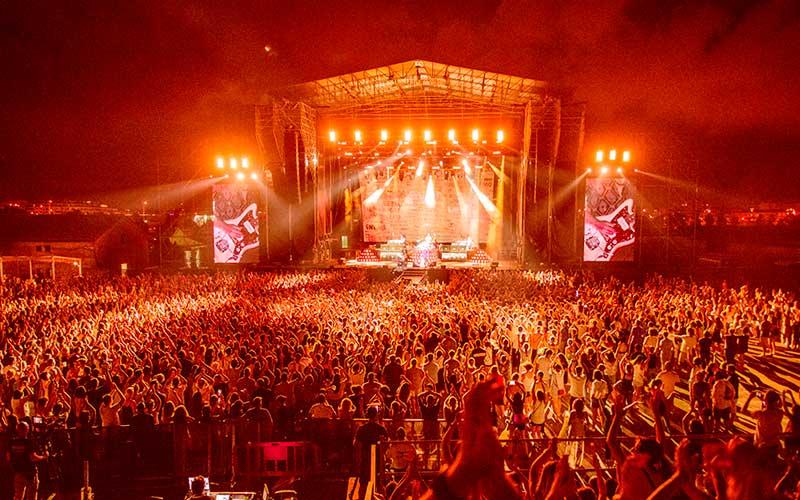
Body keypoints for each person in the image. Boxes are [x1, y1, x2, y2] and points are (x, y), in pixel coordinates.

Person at [353, 406, 388, 498]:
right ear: (376, 415)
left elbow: (356, 445)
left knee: (363, 484)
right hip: (378, 460)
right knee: (379, 484)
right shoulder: (381, 429)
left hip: (365, 459)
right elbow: (386, 445)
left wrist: (358, 461)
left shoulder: (362, 429)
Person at [8, 421, 47, 500]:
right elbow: (32, 457)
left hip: (18, 472)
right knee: (31, 496)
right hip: (30, 473)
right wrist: (43, 457)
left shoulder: (11, 442)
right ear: (27, 430)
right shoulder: (28, 442)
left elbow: (8, 457)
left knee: (18, 496)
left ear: (17, 429)